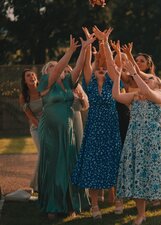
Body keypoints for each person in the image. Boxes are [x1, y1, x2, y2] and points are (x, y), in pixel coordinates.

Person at [112, 49, 161, 225]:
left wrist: (133, 72)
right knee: (137, 176)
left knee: (158, 176)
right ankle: (141, 214)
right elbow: (116, 95)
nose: (146, 80)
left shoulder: (159, 96)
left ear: (157, 84)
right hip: (134, 139)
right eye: (145, 79)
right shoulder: (135, 96)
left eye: (149, 78)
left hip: (152, 140)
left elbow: (147, 90)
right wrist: (117, 76)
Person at [37, 35, 94, 219]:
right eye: (52, 67)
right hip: (51, 131)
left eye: (58, 66)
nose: (57, 68)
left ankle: (70, 204)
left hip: (68, 129)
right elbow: (58, 70)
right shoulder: (46, 82)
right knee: (54, 165)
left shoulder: (69, 84)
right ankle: (53, 206)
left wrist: (84, 49)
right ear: (47, 71)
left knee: (69, 164)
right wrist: (70, 50)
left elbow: (77, 69)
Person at [71, 27, 123, 219]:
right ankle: (94, 205)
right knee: (93, 164)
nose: (101, 66)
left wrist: (105, 42)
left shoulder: (112, 80)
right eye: (98, 64)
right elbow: (85, 64)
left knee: (114, 162)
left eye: (103, 64)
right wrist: (87, 45)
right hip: (93, 128)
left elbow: (112, 61)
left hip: (110, 127)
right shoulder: (89, 81)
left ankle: (118, 199)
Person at [19, 69, 42, 192]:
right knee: (43, 152)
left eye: (33, 74)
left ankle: (35, 184)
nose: (32, 76)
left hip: (50, 125)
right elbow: (30, 116)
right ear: (25, 80)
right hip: (36, 127)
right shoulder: (23, 96)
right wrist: (40, 126)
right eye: (28, 75)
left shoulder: (44, 90)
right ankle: (37, 185)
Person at [63, 65, 89, 150]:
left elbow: (85, 106)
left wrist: (81, 98)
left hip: (77, 116)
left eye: (69, 72)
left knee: (79, 142)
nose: (67, 74)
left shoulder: (77, 87)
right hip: (63, 117)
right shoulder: (58, 87)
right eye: (64, 71)